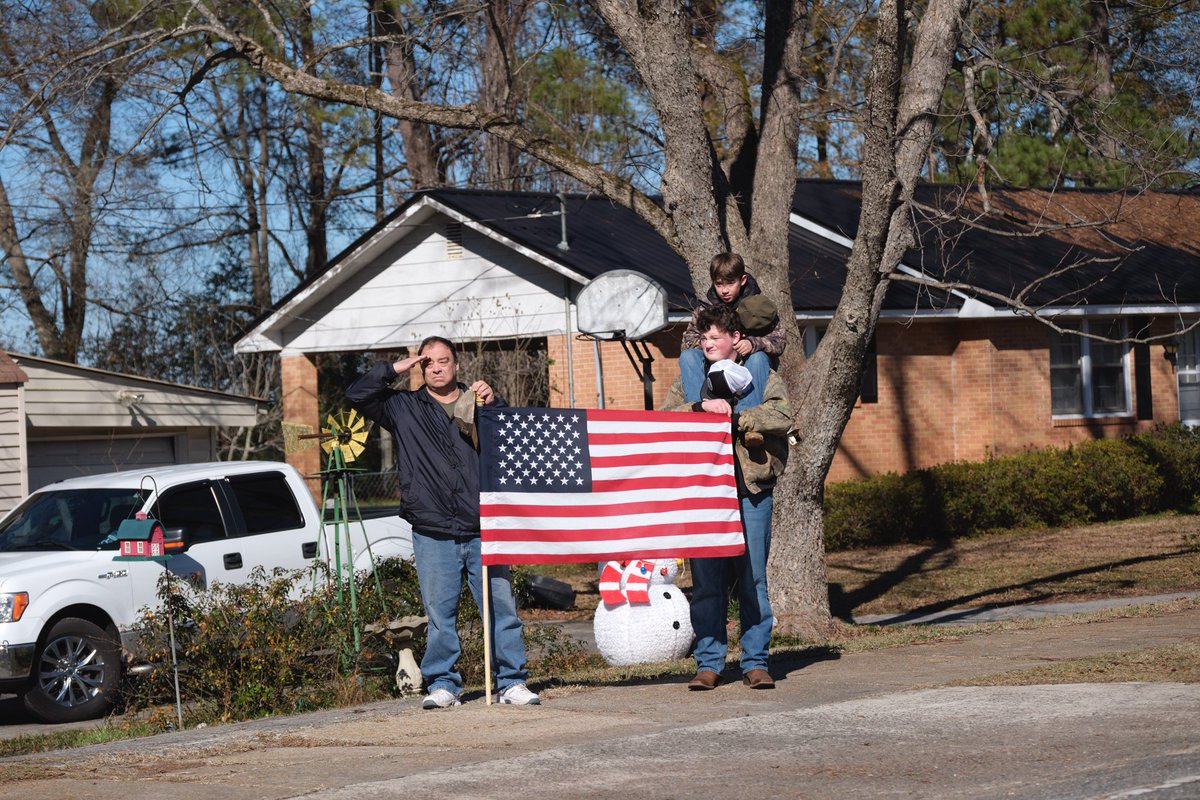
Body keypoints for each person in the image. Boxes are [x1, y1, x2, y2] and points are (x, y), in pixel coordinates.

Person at [347, 337, 540, 709]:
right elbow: (356, 395)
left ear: (457, 365)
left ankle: (512, 682)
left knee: (501, 609)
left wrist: (495, 403)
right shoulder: (402, 407)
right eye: (428, 362)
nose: (436, 368)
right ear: (420, 367)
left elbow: (510, 442)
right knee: (440, 615)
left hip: (485, 527)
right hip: (432, 528)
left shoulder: (480, 404)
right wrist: (393, 369)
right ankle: (444, 684)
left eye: (444, 361)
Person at [662, 304, 792, 690]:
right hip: (703, 496)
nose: (707, 345)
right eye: (703, 338)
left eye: (716, 337)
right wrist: (700, 406)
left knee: (753, 580)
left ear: (736, 339)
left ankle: (755, 662)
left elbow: (784, 416)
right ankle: (709, 662)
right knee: (706, 583)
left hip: (751, 492)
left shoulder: (761, 374)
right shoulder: (688, 379)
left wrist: (740, 416)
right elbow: (665, 419)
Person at [679, 252, 786, 405]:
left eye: (730, 283)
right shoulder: (705, 309)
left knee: (758, 358)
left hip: (748, 365)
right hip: (714, 366)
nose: (724, 290)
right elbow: (688, 340)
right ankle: (700, 410)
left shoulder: (759, 308)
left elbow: (779, 341)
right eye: (719, 284)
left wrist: (753, 343)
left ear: (742, 280)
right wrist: (717, 344)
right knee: (688, 356)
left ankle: (745, 416)